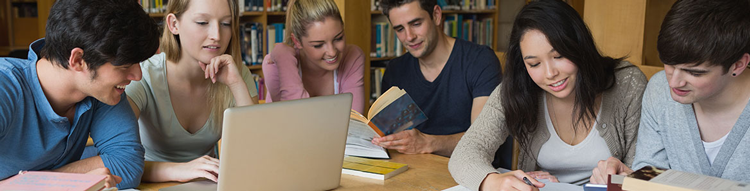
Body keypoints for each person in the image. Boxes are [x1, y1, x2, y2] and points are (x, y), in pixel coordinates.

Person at [449, 0, 648, 190]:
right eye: (534, 64)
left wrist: (623, 178)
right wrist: (491, 182)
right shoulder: (517, 88)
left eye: (559, 56)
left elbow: (646, 171)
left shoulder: (627, 84)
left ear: (579, 45)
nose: (550, 74)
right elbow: (466, 152)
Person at [0, 0, 160, 189]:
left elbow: (128, 167)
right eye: (125, 65)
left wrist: (46, 183)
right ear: (78, 60)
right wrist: (67, 182)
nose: (137, 76)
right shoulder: (5, 86)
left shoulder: (99, 91)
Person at [590, 0, 750, 184]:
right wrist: (629, 178)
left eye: (694, 72)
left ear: (738, 65)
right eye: (669, 65)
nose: (674, 82)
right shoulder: (659, 89)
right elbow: (651, 171)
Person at [125, 0, 259, 183]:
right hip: (149, 184)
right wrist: (181, 170)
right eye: (203, 23)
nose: (217, 35)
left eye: (226, 23)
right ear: (174, 24)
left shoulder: (236, 73)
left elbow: (257, 153)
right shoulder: (143, 75)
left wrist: (235, 84)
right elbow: (120, 163)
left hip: (207, 184)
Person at [372, 0, 503, 158]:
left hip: (470, 172)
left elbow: (484, 140)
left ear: (436, 15)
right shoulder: (395, 70)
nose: (409, 37)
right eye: (400, 29)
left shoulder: (480, 61)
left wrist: (428, 143)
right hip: (414, 171)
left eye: (416, 24)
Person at [263, 0, 365, 113]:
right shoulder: (275, 64)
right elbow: (293, 119)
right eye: (318, 45)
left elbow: (354, 124)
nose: (332, 52)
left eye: (338, 38)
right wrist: (285, 59)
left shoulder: (353, 57)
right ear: (297, 42)